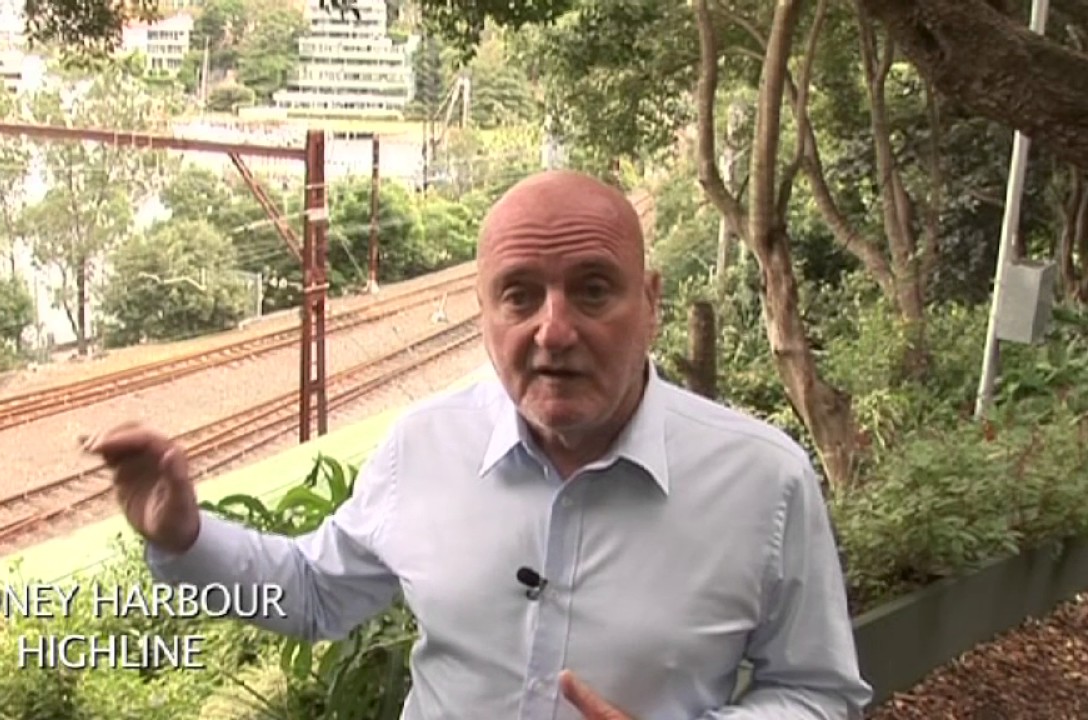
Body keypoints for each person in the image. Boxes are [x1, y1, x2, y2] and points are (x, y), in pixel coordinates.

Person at [83, 170, 873, 719]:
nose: (553, 329)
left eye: (593, 289)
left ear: (651, 302)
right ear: (484, 312)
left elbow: (817, 690)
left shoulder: (764, 481)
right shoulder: (423, 447)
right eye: (519, 295)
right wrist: (186, 541)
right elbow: (318, 594)